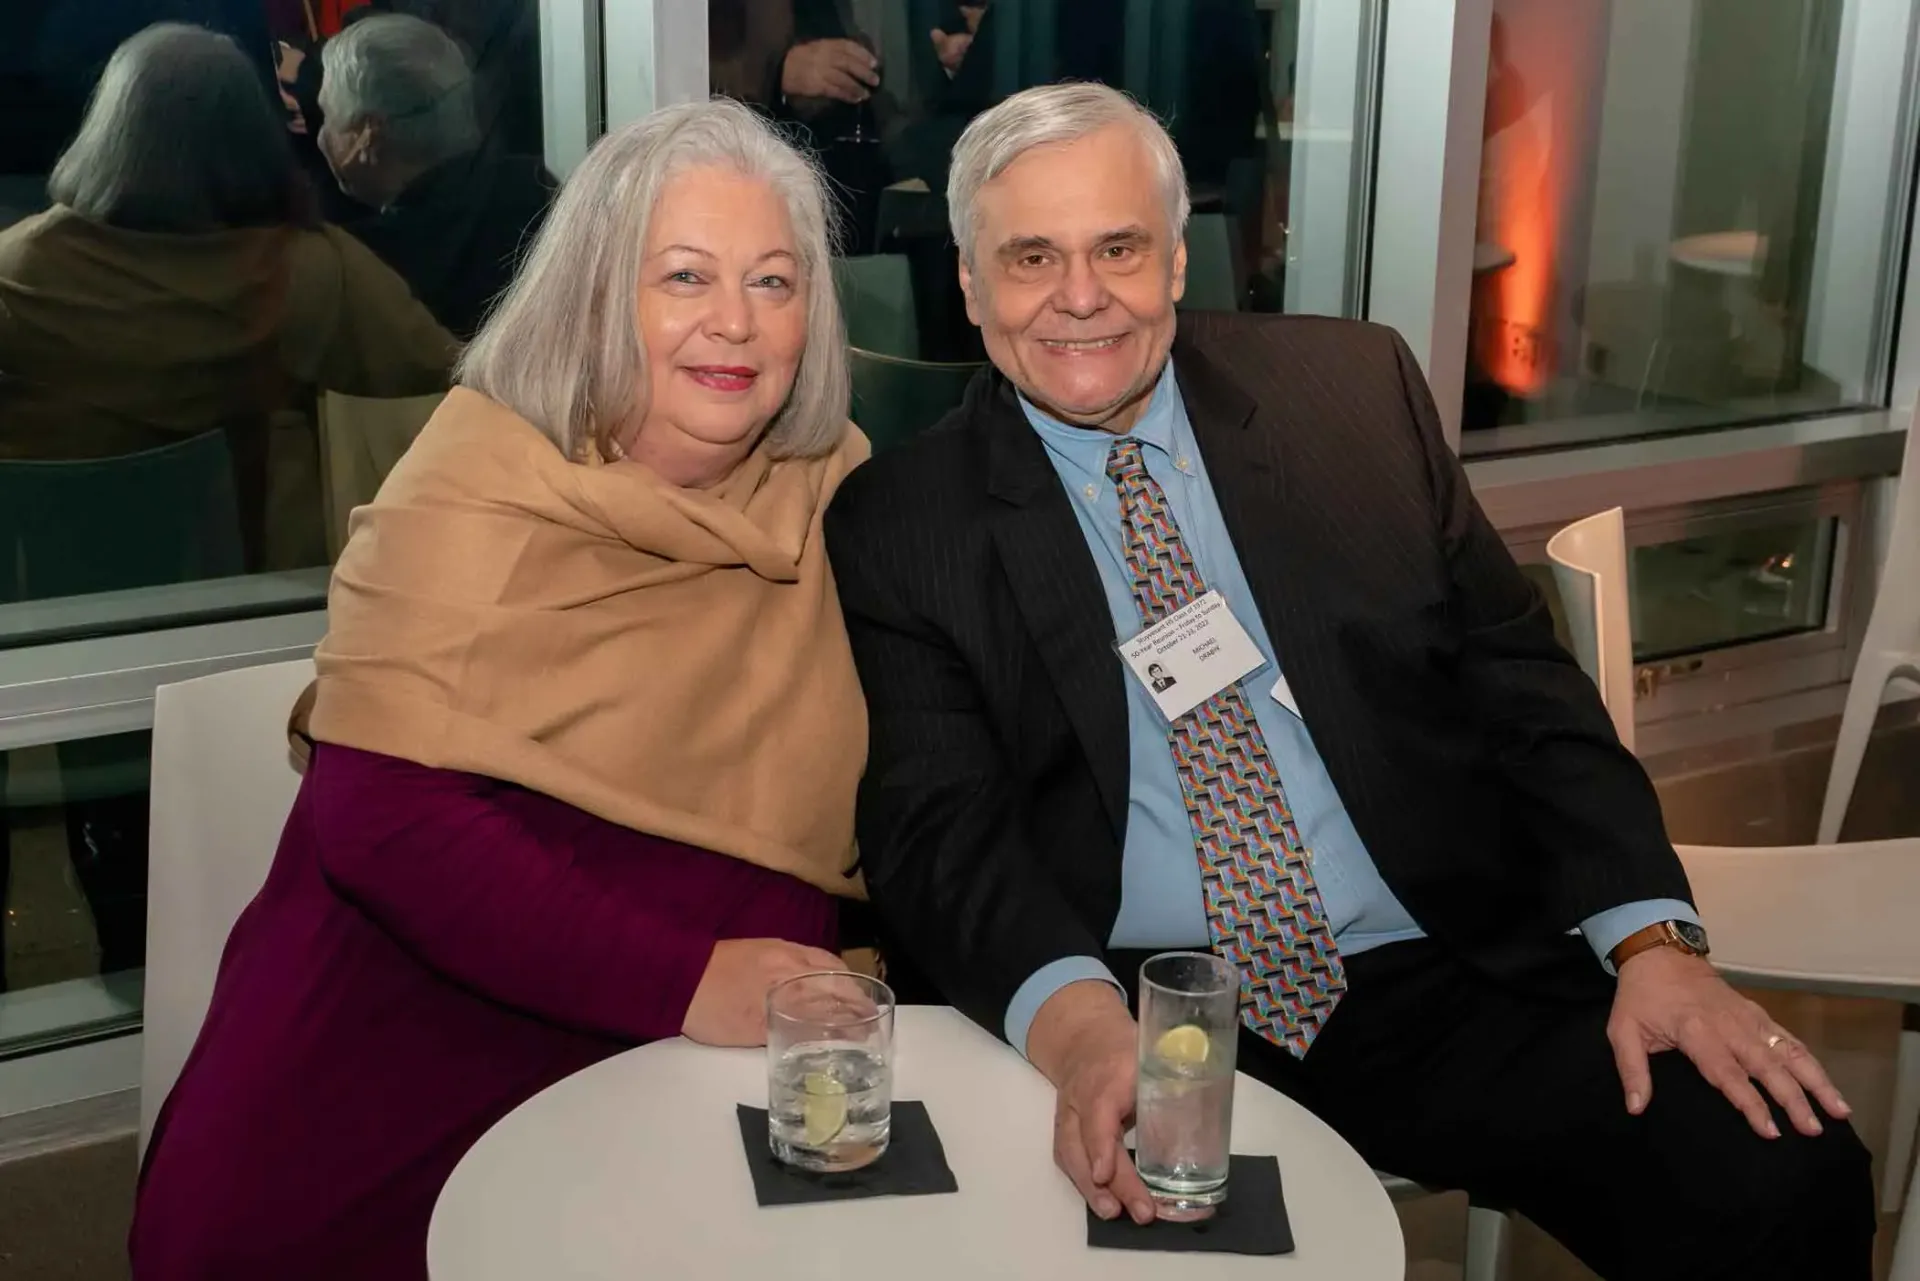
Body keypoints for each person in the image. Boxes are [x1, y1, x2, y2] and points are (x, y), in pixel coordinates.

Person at [823, 83, 1874, 1279]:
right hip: (1134, 1006)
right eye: (1031, 257)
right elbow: (940, 828)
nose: (1080, 296)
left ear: (1176, 259)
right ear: (969, 285)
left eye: (1118, 247)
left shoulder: (1352, 397)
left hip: (1444, 965)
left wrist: (1654, 945)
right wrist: (1078, 1030)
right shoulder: (909, 519)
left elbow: (1525, 688)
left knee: (1783, 1171)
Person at [130, 97, 868, 1280]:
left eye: (775, 283)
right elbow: (383, 825)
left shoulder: (833, 493)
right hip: (405, 1064)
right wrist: (685, 980)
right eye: (683, 276)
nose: (735, 323)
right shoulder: (479, 481)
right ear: (594, 295)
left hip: (704, 1078)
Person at [316, 12, 555, 337]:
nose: (323, 134)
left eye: (328, 115)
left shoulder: (363, 269)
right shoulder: (543, 187)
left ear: (368, 134)